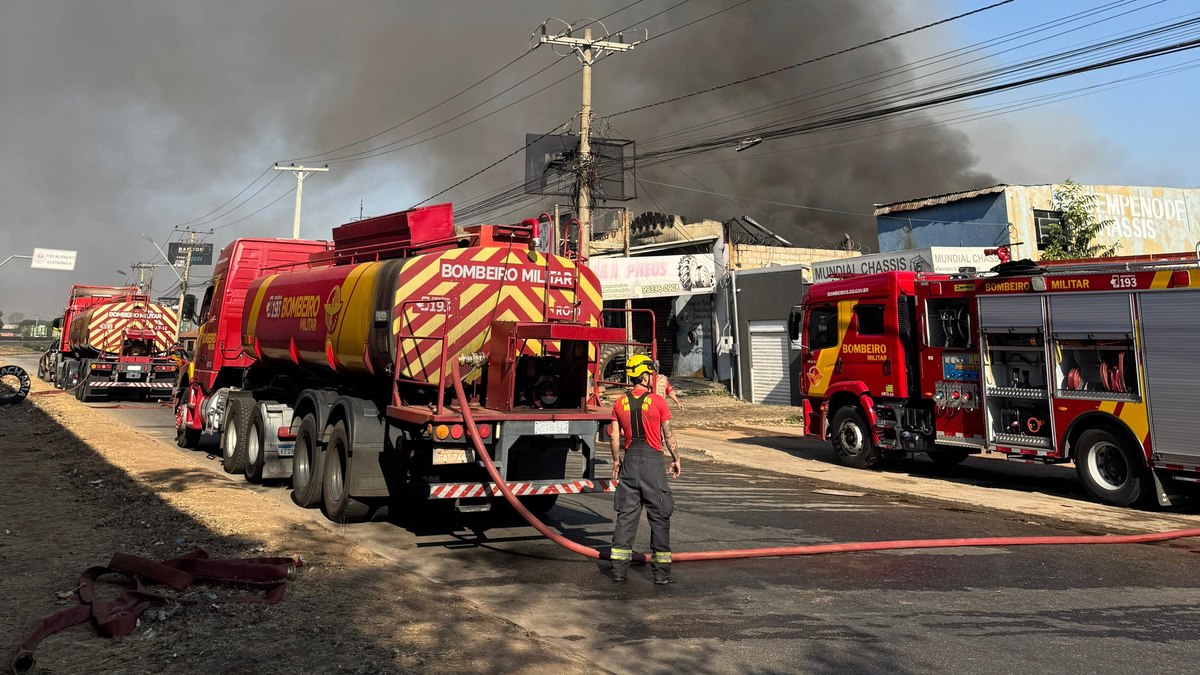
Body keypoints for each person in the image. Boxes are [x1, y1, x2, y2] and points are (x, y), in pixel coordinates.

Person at [609, 354, 681, 584]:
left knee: (626, 517)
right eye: (651, 373)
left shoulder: (619, 403)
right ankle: (661, 575)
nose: (653, 377)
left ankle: (619, 571)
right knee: (659, 516)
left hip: (629, 462)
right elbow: (668, 434)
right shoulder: (658, 402)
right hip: (652, 463)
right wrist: (676, 458)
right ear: (643, 375)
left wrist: (616, 462)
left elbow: (614, 437)